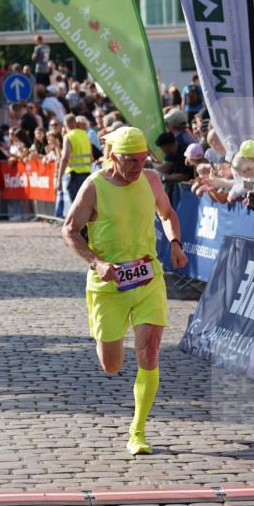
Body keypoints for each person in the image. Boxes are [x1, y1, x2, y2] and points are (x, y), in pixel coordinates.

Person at [61, 126, 187, 456]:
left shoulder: (151, 180)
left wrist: (175, 242)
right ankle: (109, 345)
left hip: (148, 279)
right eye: (131, 160)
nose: (137, 167)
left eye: (142, 160)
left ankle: (138, 431)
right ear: (114, 157)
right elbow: (70, 230)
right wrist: (96, 262)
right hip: (108, 286)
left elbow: (168, 214)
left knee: (149, 350)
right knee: (112, 365)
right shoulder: (94, 186)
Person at [56, 113, 93, 204]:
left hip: (75, 176)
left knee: (76, 206)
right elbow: (91, 156)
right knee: (86, 205)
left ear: (65, 125)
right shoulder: (85, 134)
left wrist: (59, 179)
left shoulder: (68, 136)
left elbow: (65, 158)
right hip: (87, 175)